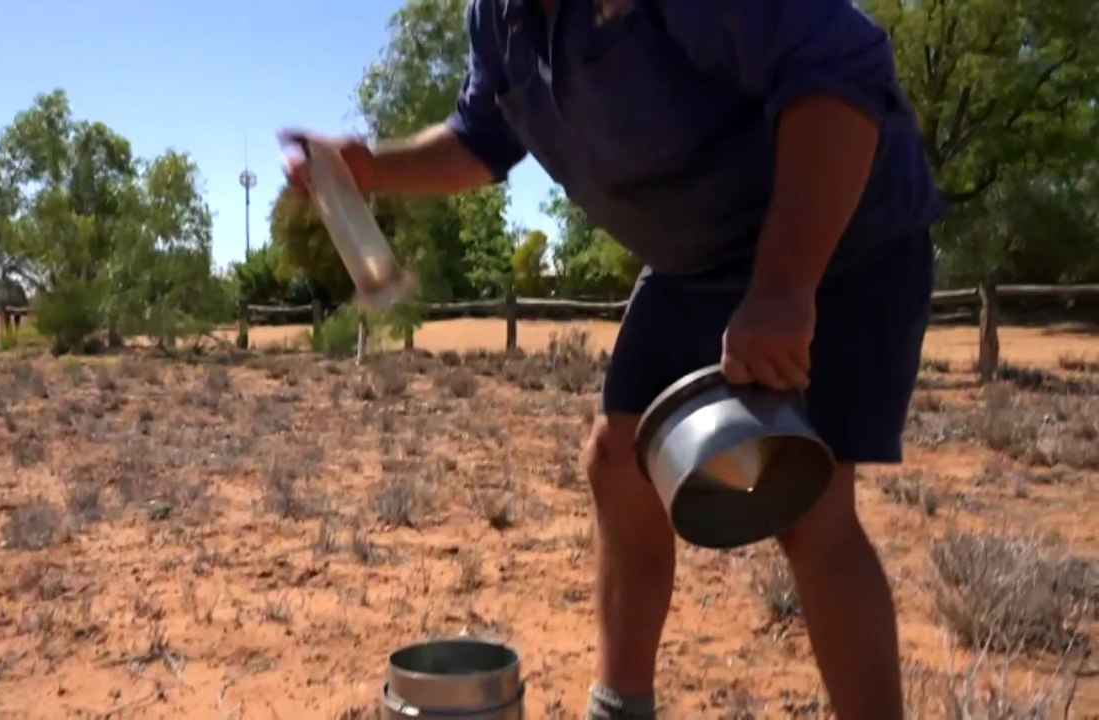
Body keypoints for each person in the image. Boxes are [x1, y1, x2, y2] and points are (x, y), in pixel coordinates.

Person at [281, 0, 943, 717]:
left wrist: (785, 288)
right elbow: (480, 141)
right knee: (618, 461)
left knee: (809, 509)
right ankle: (620, 707)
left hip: (835, 232)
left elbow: (838, 72)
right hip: (693, 262)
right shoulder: (499, 17)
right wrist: (372, 167)